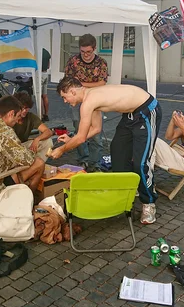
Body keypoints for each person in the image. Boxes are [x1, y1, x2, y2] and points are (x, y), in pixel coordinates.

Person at [50, 77, 162, 224]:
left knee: (141, 163)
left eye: (64, 97)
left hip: (147, 111)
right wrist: (71, 139)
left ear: (72, 91)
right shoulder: (90, 98)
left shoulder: (89, 102)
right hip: (130, 116)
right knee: (118, 154)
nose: (65, 101)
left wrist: (62, 150)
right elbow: (96, 129)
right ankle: (127, 192)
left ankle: (149, 203)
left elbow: (82, 138)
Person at [64, 33, 108, 172]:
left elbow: (102, 83)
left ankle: (94, 164)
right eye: (82, 52)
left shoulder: (101, 62)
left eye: (89, 52)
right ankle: (83, 160)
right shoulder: (73, 61)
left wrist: (81, 85)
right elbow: (68, 83)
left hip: (95, 102)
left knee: (96, 134)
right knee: (79, 131)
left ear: (94, 49)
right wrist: (87, 86)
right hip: (77, 103)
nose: (86, 55)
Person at [13, 91, 53, 162]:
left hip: (23, 145)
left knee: (48, 142)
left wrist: (37, 139)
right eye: (23, 108)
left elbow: (48, 132)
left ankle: (37, 164)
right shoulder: (11, 118)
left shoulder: (30, 117)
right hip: (12, 147)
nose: (25, 110)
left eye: (27, 108)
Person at [42, 48, 51, 122]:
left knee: (39, 96)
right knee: (44, 96)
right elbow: (48, 66)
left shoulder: (36, 53)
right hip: (45, 74)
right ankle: (46, 114)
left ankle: (41, 115)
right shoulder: (46, 52)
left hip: (39, 74)